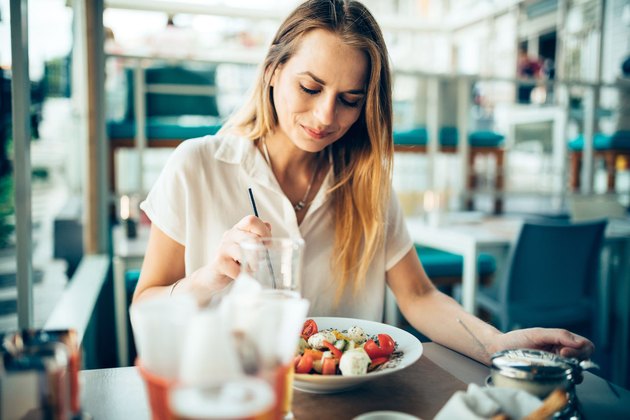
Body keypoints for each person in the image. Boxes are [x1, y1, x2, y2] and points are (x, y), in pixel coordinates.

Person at [133, 0, 593, 365]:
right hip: (234, 394)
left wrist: (498, 345)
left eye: (350, 100)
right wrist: (211, 277)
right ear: (273, 71)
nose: (325, 117)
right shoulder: (197, 164)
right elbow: (145, 307)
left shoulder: (366, 183)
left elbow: (418, 295)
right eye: (310, 88)